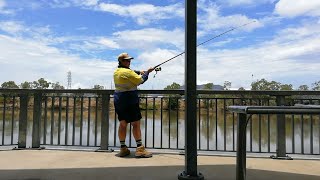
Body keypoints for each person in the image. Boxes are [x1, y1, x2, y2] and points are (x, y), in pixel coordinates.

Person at [113, 52, 154, 158]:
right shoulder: (128, 73)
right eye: (127, 60)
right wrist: (147, 72)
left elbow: (130, 72)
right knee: (135, 124)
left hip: (119, 100)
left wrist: (139, 71)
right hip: (129, 100)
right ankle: (140, 149)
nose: (129, 61)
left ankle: (123, 149)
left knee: (122, 124)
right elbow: (140, 80)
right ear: (121, 61)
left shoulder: (117, 71)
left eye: (129, 60)